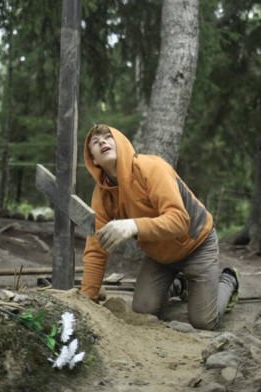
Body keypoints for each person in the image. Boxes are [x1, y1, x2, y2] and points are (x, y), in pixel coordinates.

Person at [81, 124, 239, 331]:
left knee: (203, 322)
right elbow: (96, 249)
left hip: (197, 244)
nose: (102, 141)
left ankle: (229, 279)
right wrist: (87, 304)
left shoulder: (151, 167)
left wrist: (133, 225)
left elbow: (179, 221)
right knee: (142, 309)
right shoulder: (101, 195)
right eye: (95, 142)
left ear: (120, 142)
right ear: (93, 159)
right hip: (161, 256)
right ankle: (180, 284)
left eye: (108, 137)